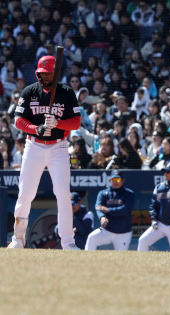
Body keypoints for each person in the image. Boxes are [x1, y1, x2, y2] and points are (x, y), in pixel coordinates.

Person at [8, 55, 81, 250]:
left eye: (49, 74)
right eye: (42, 74)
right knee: (26, 192)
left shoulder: (66, 92)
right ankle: (18, 240)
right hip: (34, 146)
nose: (45, 78)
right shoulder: (30, 91)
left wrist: (58, 123)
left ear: (56, 74)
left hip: (59, 146)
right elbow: (18, 120)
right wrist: (36, 129)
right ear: (37, 73)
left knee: (63, 193)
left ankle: (68, 242)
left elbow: (76, 121)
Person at [137, 164, 170, 252]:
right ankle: (140, 263)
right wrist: (154, 219)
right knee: (143, 240)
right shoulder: (159, 187)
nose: (165, 174)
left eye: (168, 171)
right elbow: (154, 206)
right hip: (160, 224)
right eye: (164, 171)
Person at [85, 169, 135, 251]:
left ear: (123, 180)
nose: (115, 182)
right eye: (113, 179)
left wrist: (108, 210)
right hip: (107, 230)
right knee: (92, 238)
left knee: (121, 257)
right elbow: (98, 207)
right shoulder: (103, 193)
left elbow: (125, 210)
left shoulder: (129, 193)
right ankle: (86, 261)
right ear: (110, 180)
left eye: (118, 179)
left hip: (123, 232)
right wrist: (102, 217)